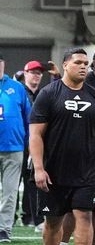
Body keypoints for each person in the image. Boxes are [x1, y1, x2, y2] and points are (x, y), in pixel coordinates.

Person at [29, 47, 95, 245]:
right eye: (78, 62)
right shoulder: (49, 94)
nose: (83, 66)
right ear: (66, 65)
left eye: (86, 63)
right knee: (53, 220)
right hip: (54, 169)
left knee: (85, 215)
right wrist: (39, 168)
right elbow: (36, 135)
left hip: (87, 170)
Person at [18, 60, 56, 232]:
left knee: (32, 179)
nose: (36, 76)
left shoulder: (44, 94)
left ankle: (30, 216)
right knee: (15, 181)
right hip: (18, 142)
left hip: (37, 142)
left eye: (39, 73)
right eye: (33, 72)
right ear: (25, 74)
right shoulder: (19, 92)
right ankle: (13, 218)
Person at [0, 51, 32, 243]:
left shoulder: (17, 87)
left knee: (10, 192)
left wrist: (30, 145)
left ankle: (4, 229)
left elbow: (28, 118)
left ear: (3, 65)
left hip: (14, 147)